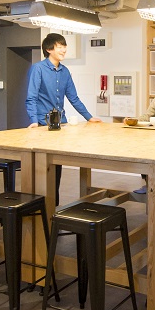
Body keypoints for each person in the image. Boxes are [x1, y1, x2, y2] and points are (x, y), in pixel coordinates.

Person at [25, 32, 101, 204]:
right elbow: (31, 97)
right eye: (60, 46)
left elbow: (74, 98)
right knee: (42, 167)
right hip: (42, 125)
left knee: (56, 166)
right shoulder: (38, 69)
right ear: (49, 49)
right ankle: (40, 205)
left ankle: (54, 204)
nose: (64, 50)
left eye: (65, 46)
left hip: (60, 124)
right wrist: (33, 120)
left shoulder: (65, 71)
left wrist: (89, 117)